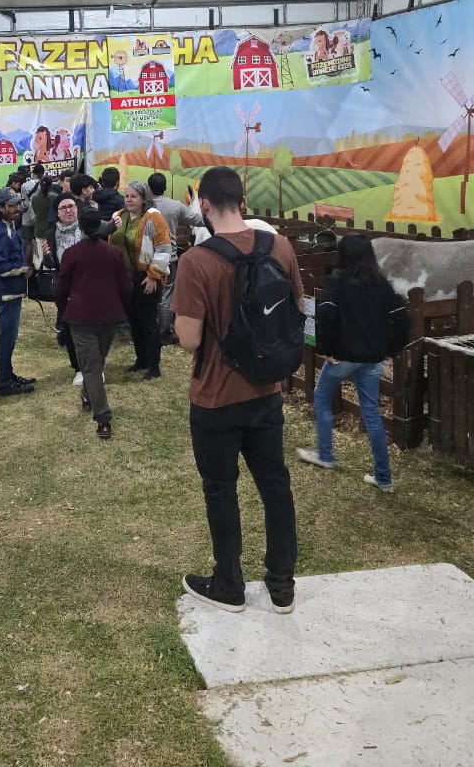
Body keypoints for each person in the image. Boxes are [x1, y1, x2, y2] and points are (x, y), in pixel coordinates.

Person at [172, 166, 301, 615]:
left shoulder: (196, 261)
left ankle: (229, 584)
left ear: (204, 204)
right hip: (266, 391)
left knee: (220, 490)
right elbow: (295, 310)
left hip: (215, 397)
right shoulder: (279, 246)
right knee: (275, 485)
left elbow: (189, 339)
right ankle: (282, 586)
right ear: (243, 201)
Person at [298, 234, 409, 492]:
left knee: (321, 396)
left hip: (343, 358)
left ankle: (325, 454)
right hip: (372, 359)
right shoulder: (380, 284)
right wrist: (391, 350)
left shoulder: (336, 282)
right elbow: (402, 317)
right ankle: (384, 478)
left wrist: (326, 349)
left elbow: (325, 313)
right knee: (371, 413)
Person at [55, 210, 131, 440]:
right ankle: (96, 405)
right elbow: (126, 286)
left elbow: (61, 289)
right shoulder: (113, 253)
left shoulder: (71, 253)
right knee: (96, 363)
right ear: (100, 226)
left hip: (81, 318)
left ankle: (102, 417)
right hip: (110, 317)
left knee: (91, 367)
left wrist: (63, 311)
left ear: (80, 227)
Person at [110, 180, 172, 381]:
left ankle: (154, 366)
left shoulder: (153, 217)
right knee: (134, 321)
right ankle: (141, 359)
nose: (129, 200)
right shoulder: (119, 216)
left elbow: (164, 248)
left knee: (148, 322)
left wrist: (154, 275)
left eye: (133, 196)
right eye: (127, 196)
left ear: (144, 198)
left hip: (146, 276)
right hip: (126, 278)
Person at [0, 186, 35, 397]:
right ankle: (4, 382)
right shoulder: (2, 231)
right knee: (7, 338)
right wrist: (23, 269)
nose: (16, 209)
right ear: (0, 207)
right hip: (8, 293)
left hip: (7, 291)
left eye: (17, 204)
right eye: (11, 205)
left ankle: (8, 375)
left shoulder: (0, 228)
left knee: (8, 336)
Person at [148, 171, 205, 344]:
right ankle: (164, 334)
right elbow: (196, 220)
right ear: (165, 187)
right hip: (168, 257)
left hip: (146, 257)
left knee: (147, 295)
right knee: (166, 295)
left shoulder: (144, 206)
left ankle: (148, 330)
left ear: (148, 188)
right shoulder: (175, 206)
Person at [41, 193, 84, 384]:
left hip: (88, 286)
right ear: (57, 213)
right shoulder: (52, 234)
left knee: (91, 328)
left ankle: (94, 365)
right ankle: (78, 368)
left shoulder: (86, 229)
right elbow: (51, 264)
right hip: (65, 288)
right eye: (63, 208)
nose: (68, 211)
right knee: (69, 328)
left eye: (71, 206)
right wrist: (46, 256)